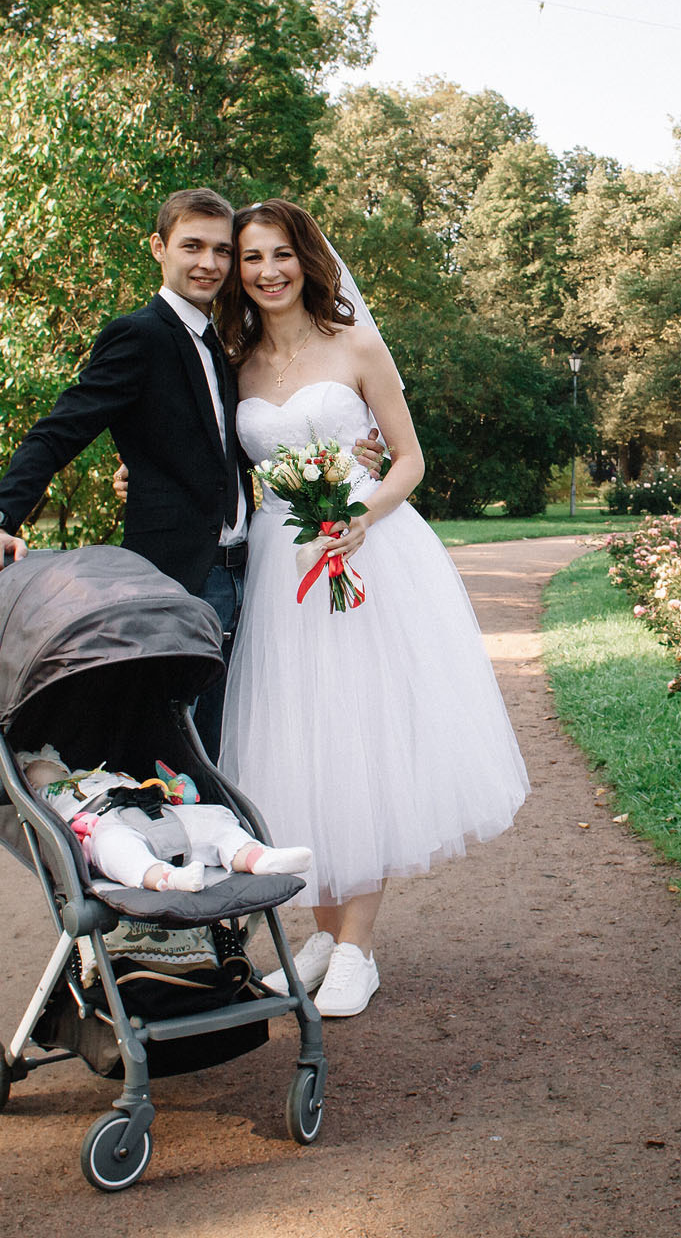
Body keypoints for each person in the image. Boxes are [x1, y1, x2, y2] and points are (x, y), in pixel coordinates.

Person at [216, 199, 529, 1019]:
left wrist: (361, 518)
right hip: (282, 566)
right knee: (302, 740)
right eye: (252, 259)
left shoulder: (355, 343)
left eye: (282, 254)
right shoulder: (235, 362)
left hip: (365, 554)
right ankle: (319, 936)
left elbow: (409, 458)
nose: (269, 271)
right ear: (239, 272)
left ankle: (358, 948)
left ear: (307, 259)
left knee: (364, 732)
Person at [0, 188, 383, 754]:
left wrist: (350, 455)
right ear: (160, 248)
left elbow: (223, 444)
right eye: (192, 247)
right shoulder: (139, 335)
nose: (208, 263)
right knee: (178, 743)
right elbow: (59, 430)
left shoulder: (229, 345)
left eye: (222, 250)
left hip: (252, 569)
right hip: (180, 575)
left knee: (239, 737)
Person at [18, 746, 312, 891]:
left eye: (47, 762)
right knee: (114, 849)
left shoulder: (103, 773)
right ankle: (167, 878)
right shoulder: (46, 797)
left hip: (155, 809)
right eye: (36, 769)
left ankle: (256, 856)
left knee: (211, 819)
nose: (47, 766)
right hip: (102, 822)